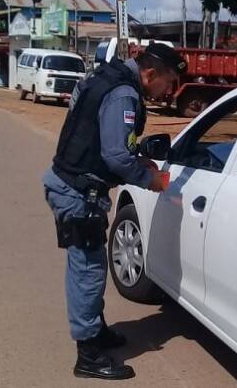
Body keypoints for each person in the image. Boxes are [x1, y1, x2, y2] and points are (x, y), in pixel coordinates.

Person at [42, 43, 187, 380]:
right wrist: (150, 179)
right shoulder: (124, 93)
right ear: (150, 74)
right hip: (78, 191)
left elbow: (98, 135)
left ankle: (96, 331)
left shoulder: (105, 78)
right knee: (87, 270)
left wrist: (138, 160)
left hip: (71, 183)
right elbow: (116, 157)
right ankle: (88, 355)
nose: (169, 91)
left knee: (89, 265)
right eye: (168, 82)